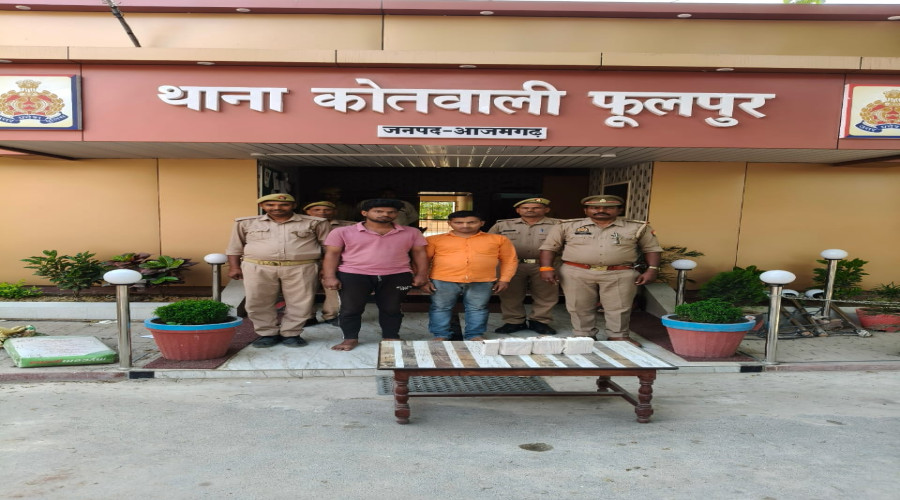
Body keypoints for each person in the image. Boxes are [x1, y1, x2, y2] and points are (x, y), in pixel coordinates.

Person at [538, 194, 662, 345]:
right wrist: (546, 267)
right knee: (578, 305)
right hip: (576, 272)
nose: (601, 210)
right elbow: (549, 248)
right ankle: (583, 335)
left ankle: (618, 335)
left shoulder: (637, 227)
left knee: (619, 307)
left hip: (620, 272)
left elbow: (652, 249)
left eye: (609, 208)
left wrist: (652, 269)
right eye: (595, 207)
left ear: (620, 210)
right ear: (585, 210)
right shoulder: (566, 226)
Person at [321, 199, 429, 351]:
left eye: (391, 212)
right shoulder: (342, 232)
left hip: (397, 274)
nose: (385, 214)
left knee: (392, 308)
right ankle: (350, 339)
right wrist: (329, 276)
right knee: (350, 309)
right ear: (364, 213)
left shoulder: (411, 232)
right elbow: (332, 254)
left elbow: (420, 253)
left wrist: (422, 275)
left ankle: (391, 336)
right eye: (379, 211)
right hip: (354, 274)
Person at [226, 193, 331, 348]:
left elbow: (329, 248)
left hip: (301, 266)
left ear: (294, 205)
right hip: (258, 267)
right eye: (270, 205)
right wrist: (234, 267)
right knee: (257, 300)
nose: (277, 208)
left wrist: (327, 269)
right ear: (262, 206)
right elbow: (234, 247)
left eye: (284, 204)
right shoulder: (246, 223)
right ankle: (267, 333)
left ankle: (292, 333)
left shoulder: (315, 223)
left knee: (300, 301)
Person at [421, 210, 518, 341]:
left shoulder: (498, 239)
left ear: (482, 223)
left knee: (478, 308)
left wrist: (505, 279)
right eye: (459, 222)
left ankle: (475, 335)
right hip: (443, 279)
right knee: (440, 307)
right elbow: (423, 261)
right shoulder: (434, 240)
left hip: (482, 280)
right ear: (449, 223)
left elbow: (509, 260)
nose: (465, 226)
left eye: (471, 222)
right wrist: (424, 280)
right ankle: (440, 335)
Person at [487, 197, 561, 335]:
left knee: (546, 294)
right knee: (510, 294)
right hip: (512, 265)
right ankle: (514, 321)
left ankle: (540, 321)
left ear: (546, 209)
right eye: (525, 208)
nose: (530, 210)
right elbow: (488, 244)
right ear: (518, 210)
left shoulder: (559, 225)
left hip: (545, 265)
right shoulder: (502, 225)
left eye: (536, 207)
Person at [303, 201, 355, 325]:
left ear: (335, 212)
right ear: (307, 212)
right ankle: (307, 317)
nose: (322, 212)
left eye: (327, 210)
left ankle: (331, 315)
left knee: (333, 289)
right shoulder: (299, 225)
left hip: (335, 261)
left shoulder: (349, 226)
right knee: (304, 290)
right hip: (308, 262)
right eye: (317, 209)